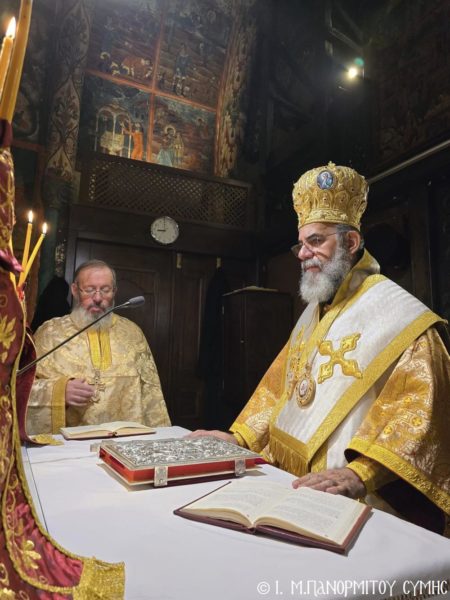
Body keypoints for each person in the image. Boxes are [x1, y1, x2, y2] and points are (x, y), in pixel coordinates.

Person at [190, 162, 450, 535]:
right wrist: (240, 439)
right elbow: (279, 388)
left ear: (351, 243)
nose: (302, 253)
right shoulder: (315, 311)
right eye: (301, 243)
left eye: (316, 241)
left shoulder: (401, 316)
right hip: (290, 488)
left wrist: (362, 472)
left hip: (357, 500)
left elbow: (422, 413)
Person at [26, 259, 170, 434]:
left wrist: (161, 437)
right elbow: (22, 387)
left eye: (105, 290)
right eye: (89, 290)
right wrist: (59, 392)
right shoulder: (50, 333)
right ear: (75, 290)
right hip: (71, 442)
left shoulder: (132, 333)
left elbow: (151, 392)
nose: (98, 298)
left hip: (124, 441)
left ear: (114, 291)